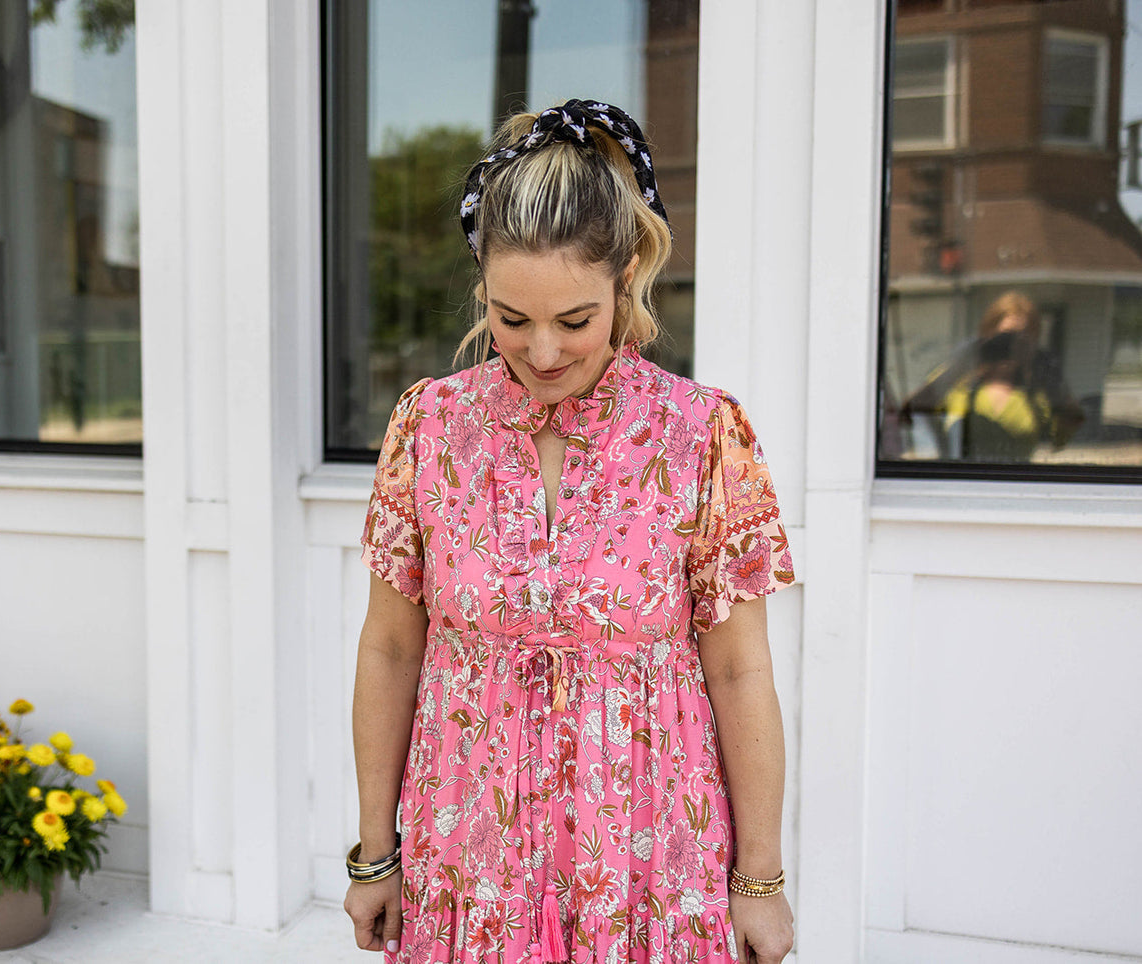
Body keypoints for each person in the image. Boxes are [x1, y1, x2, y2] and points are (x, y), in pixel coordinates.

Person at [344, 99, 796, 964]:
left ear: (626, 277)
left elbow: (739, 668)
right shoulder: (427, 427)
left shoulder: (701, 434)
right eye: (512, 319)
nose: (542, 350)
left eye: (574, 320)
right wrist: (376, 855)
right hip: (465, 857)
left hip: (650, 862)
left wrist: (760, 882)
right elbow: (391, 651)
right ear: (481, 288)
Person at [899, 291, 1084, 462]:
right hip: (958, 483)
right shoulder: (960, 382)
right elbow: (910, 411)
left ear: (1033, 342)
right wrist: (961, 363)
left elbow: (1066, 433)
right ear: (987, 335)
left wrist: (1045, 378)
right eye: (1004, 337)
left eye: (1020, 339)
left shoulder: (1037, 392)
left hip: (1017, 486)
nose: (1010, 347)